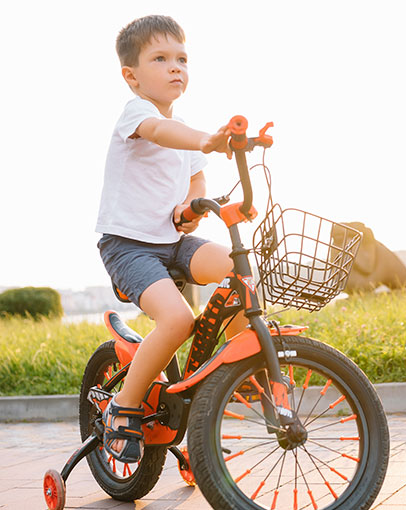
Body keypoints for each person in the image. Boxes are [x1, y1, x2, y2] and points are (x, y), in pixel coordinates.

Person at [94, 14, 247, 464]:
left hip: (171, 241)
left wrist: (191, 206)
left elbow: (196, 179)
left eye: (182, 58)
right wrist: (208, 140)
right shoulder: (138, 115)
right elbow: (164, 134)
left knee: (241, 270)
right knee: (178, 320)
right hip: (128, 245)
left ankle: (242, 363)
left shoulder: (186, 134)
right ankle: (123, 408)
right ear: (132, 76)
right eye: (160, 58)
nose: (175, 67)